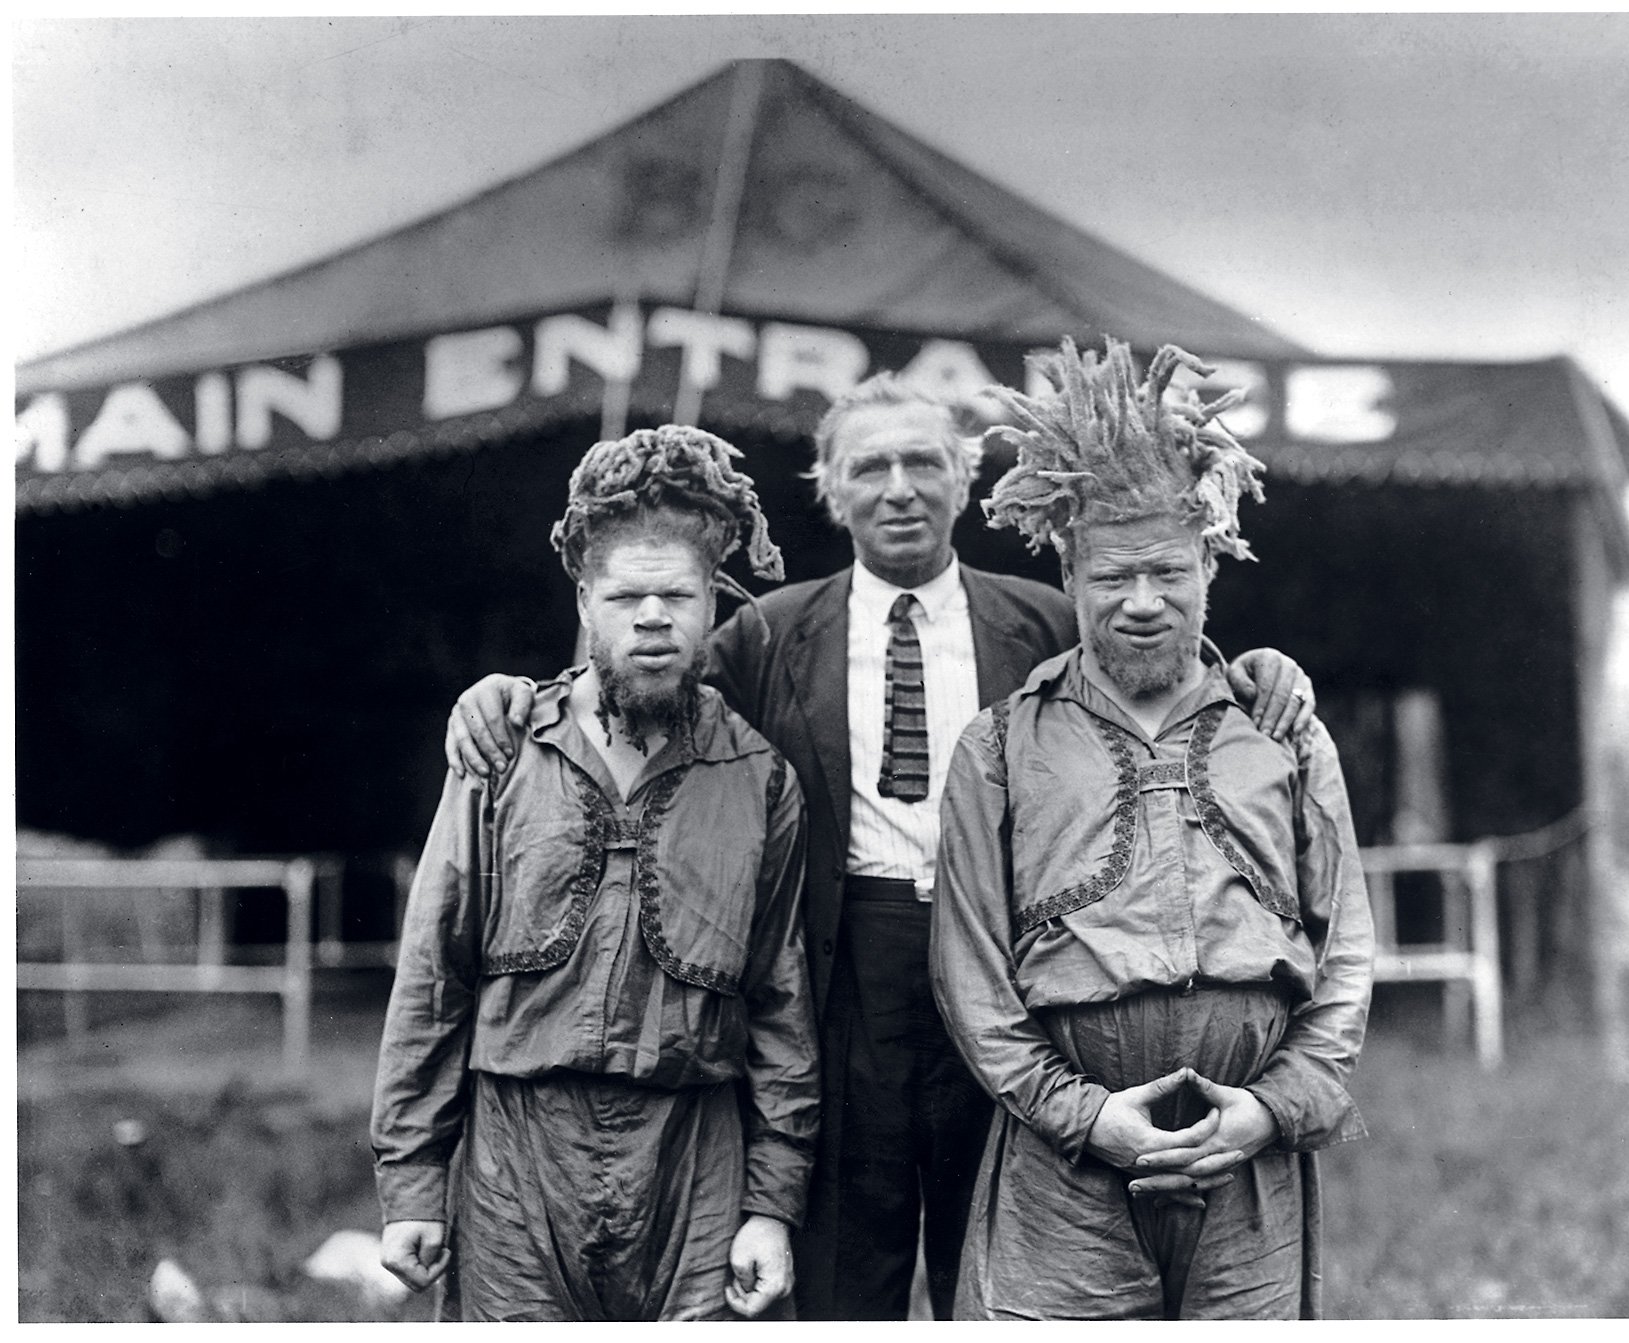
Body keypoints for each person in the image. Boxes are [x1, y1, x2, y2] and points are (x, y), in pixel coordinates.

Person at [442, 374, 1318, 1320]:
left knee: (990, 1241)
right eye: (870, 466)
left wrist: (1262, 669)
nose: (898, 487)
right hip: (843, 968)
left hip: (1009, 966)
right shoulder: (769, 633)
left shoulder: (1040, 620)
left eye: (923, 462)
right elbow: (652, 675)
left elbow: (1154, 660)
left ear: (964, 475)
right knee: (842, 1263)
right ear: (830, 488)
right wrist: (515, 693)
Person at [930, 338, 1374, 1320]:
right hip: (1062, 1176)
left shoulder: (1283, 731)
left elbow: (1343, 954)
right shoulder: (997, 748)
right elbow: (969, 978)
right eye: (1110, 577)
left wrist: (1272, 1106)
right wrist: (1085, 1115)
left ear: (1211, 560)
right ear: (1068, 570)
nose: (1140, 603)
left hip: (1247, 1176)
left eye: (1167, 572)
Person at [370, 425, 819, 1322]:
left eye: (676, 596)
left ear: (712, 604)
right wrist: (413, 1179)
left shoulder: (760, 778)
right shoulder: (499, 755)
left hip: (693, 1161)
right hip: (516, 1162)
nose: (652, 618)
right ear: (584, 598)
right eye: (626, 596)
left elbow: (781, 1003)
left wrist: (771, 1202)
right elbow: (433, 975)